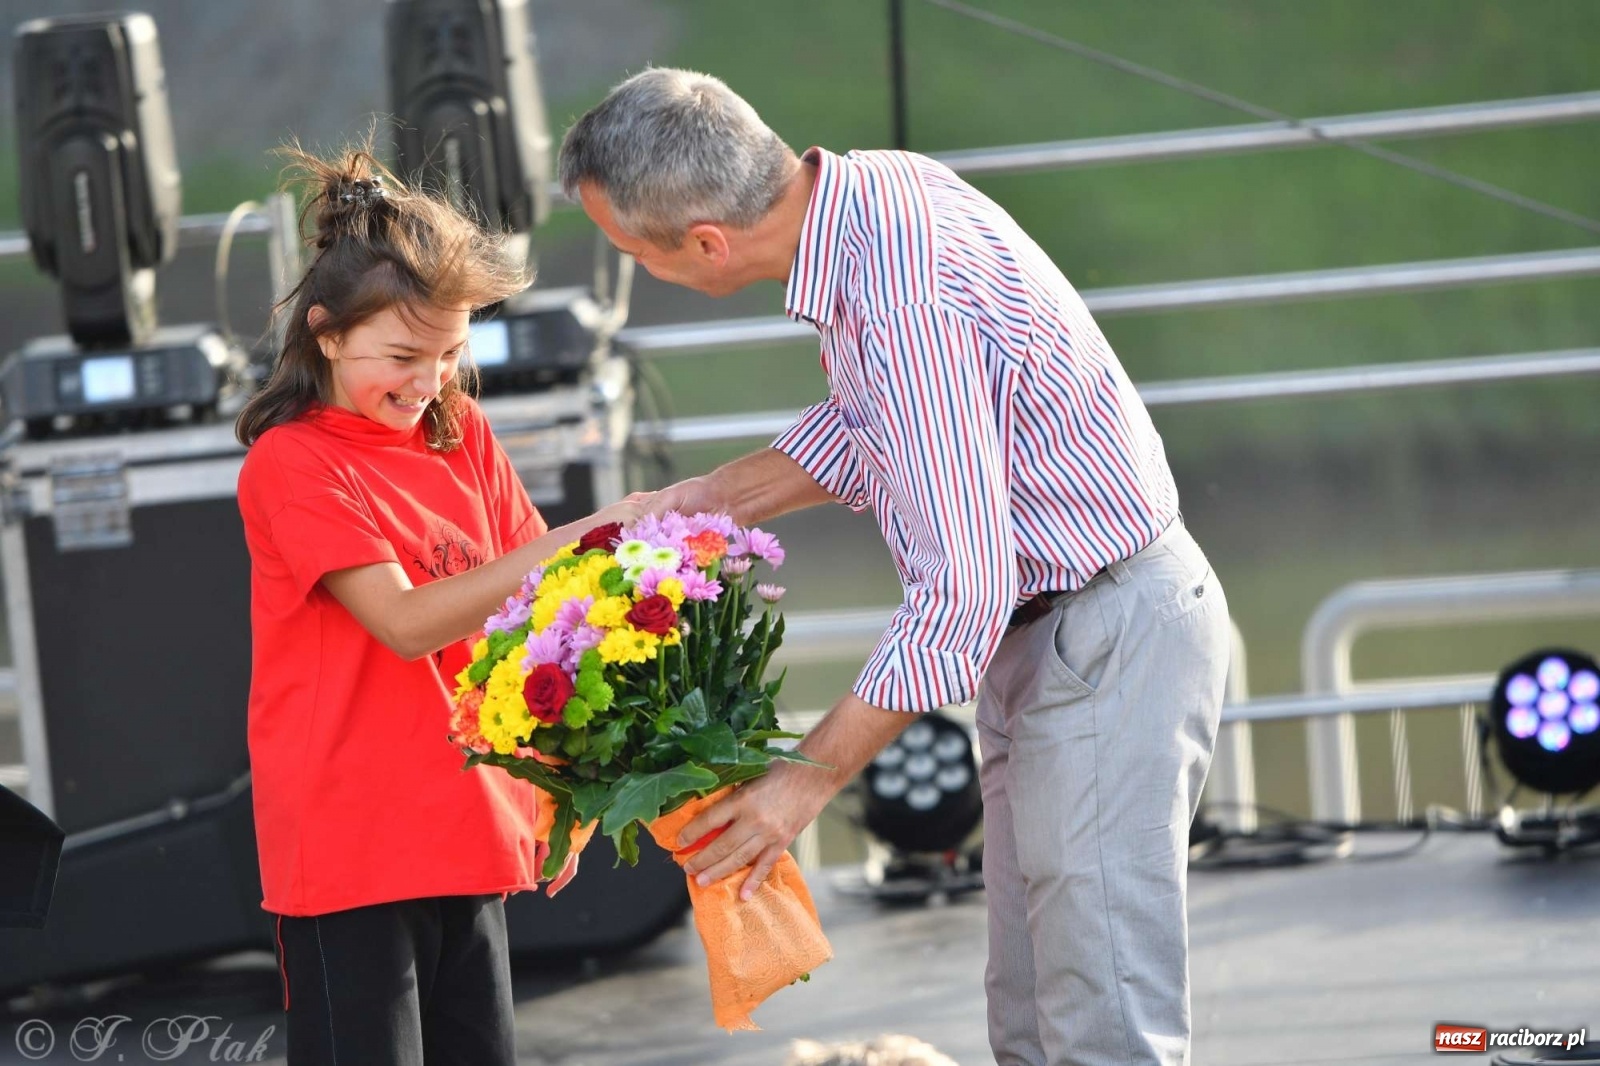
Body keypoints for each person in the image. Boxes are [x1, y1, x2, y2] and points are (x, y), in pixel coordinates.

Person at [559, 69, 1231, 1066]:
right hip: (1062, 635)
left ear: (704, 241)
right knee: (1030, 1019)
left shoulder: (899, 291)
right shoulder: (872, 195)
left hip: (1104, 630)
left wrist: (796, 787)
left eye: (631, 254)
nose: (635, 272)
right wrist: (689, 508)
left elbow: (962, 595)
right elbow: (882, 427)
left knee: (1099, 1029)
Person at [234, 145, 640, 1065]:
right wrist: (578, 539)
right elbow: (408, 621)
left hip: (471, 829)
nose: (430, 383)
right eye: (405, 356)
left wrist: (560, 779)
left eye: (453, 354)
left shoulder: (461, 431)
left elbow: (531, 619)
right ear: (327, 334)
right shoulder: (292, 463)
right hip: (350, 855)